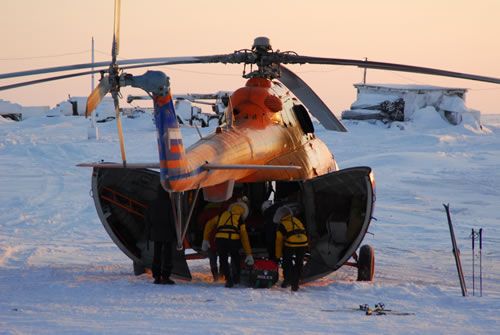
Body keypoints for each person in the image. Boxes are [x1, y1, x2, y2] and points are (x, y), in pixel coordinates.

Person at [202, 197, 254, 288]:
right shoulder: (240, 219)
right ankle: (236, 278)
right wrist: (248, 253)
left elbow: (209, 224)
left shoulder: (223, 214)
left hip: (220, 240)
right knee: (235, 257)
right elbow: (244, 236)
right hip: (233, 240)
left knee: (223, 259)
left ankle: (228, 280)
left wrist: (205, 239)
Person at [146, 185, 176, 285]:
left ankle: (157, 276)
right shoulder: (169, 203)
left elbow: (148, 219)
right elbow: (172, 219)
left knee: (157, 255)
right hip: (168, 233)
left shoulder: (152, 203)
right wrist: (175, 233)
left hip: (156, 233)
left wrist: (149, 232)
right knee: (167, 255)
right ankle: (166, 276)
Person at [275, 206, 309, 291]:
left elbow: (278, 242)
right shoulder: (296, 220)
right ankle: (295, 283)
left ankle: (287, 280)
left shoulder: (282, 225)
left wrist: (278, 256)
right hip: (304, 243)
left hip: (291, 244)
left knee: (287, 261)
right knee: (299, 263)